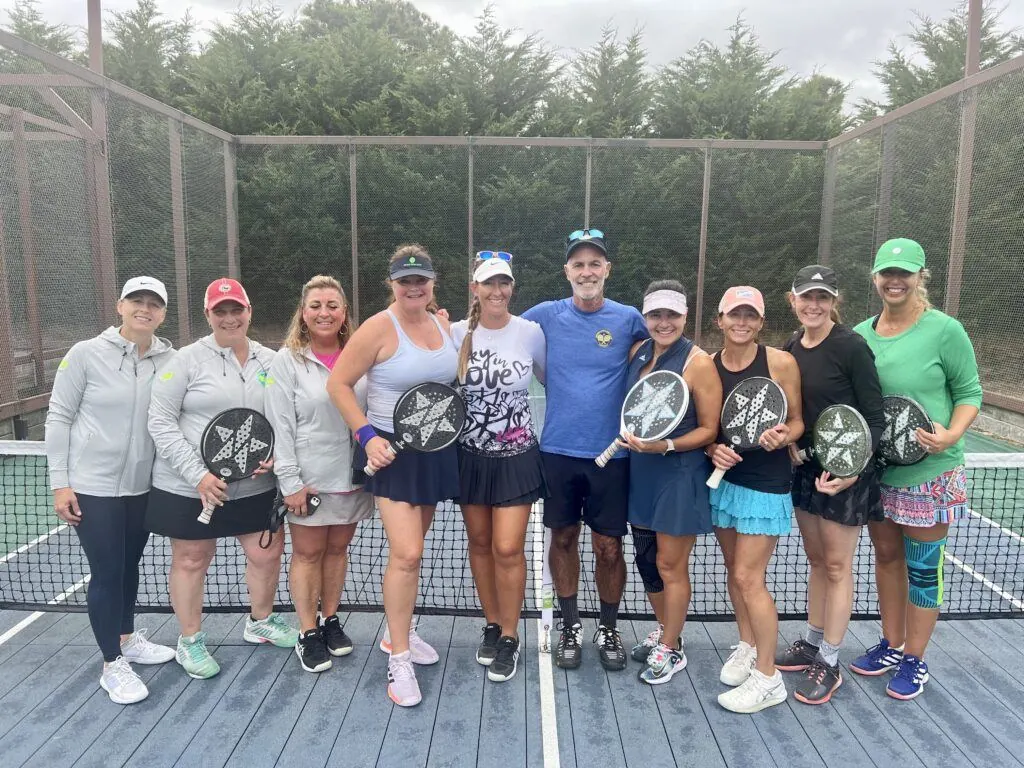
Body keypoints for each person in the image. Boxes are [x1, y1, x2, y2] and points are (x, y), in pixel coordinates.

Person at [327, 244, 458, 707]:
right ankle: (398, 660)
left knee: (414, 554)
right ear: (393, 284)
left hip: (434, 451)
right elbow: (338, 384)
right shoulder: (378, 328)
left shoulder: (443, 325)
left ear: (431, 282)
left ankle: (396, 632)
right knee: (406, 552)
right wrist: (366, 436)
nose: (413, 287)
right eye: (405, 281)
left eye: (420, 279)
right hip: (392, 453)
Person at [147, 277, 298, 680]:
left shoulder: (272, 360)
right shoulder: (183, 361)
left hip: (255, 486)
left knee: (266, 554)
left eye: (237, 309)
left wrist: (276, 456)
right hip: (190, 487)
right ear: (208, 315)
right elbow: (159, 422)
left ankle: (260, 621)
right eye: (221, 311)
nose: (229, 318)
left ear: (249, 312)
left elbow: (286, 416)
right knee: (192, 558)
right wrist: (198, 475)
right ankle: (190, 640)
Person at [850, 239, 981, 700]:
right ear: (875, 278)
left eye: (904, 273)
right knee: (886, 559)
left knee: (924, 570)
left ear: (921, 276)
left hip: (932, 475)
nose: (895, 280)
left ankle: (915, 659)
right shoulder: (860, 333)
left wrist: (951, 434)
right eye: (887, 272)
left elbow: (969, 392)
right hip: (880, 473)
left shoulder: (945, 331)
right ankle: (892, 642)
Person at [45, 277, 176, 704]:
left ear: (162, 313)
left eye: (153, 303)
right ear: (120, 306)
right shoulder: (84, 354)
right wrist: (60, 482)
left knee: (130, 564)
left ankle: (127, 637)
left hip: (142, 487)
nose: (145, 309)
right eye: (136, 301)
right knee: (107, 571)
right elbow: (59, 417)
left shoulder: (171, 359)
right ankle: (111, 663)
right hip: (92, 487)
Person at [522, 228, 648, 671]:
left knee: (609, 546)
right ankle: (571, 625)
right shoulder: (544, 315)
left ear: (607, 270)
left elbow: (667, 350)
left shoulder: (630, 318)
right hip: (557, 452)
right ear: (567, 272)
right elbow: (497, 330)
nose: (587, 271)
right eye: (579, 264)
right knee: (563, 537)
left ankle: (609, 627)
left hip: (614, 455)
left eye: (595, 264)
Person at [773, 265, 884, 705]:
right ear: (793, 300)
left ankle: (831, 661)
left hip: (847, 475)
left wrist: (854, 470)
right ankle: (812, 641)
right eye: (806, 297)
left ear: (834, 300)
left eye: (823, 297)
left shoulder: (852, 347)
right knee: (817, 560)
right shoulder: (790, 348)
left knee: (838, 566)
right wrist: (788, 443)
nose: (814, 305)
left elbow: (873, 417)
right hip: (805, 469)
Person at [266, 275, 374, 674]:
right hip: (307, 482)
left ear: (344, 312)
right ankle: (307, 632)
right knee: (308, 553)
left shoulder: (360, 355)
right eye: (316, 306)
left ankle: (330, 620)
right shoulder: (287, 361)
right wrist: (291, 483)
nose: (324, 313)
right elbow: (281, 426)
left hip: (352, 478)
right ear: (303, 312)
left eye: (332, 305)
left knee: (336, 551)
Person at [616, 280, 722, 685]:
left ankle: (673, 647)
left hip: (678, 474)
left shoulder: (697, 362)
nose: (663, 323)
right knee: (647, 562)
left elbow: (710, 430)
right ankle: (665, 631)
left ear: (684, 316)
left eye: (672, 315)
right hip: (640, 473)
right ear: (645, 317)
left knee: (669, 564)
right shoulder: (637, 352)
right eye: (656, 315)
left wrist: (665, 445)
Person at [706, 285, 803, 713]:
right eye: (734, 315)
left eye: (750, 316)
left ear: (761, 322)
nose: (741, 322)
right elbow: (709, 429)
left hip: (766, 485)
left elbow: (798, 421)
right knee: (733, 571)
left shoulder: (781, 362)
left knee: (750, 578)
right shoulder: (708, 367)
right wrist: (713, 449)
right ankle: (747, 645)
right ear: (720, 319)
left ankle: (768, 677)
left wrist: (785, 434)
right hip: (726, 483)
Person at [451, 252, 546, 683]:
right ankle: (492, 624)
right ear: (475, 289)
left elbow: (551, 380)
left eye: (504, 283)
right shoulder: (454, 335)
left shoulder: (530, 333)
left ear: (511, 288)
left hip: (517, 457)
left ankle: (511, 634)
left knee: (508, 547)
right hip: (469, 457)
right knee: (480, 543)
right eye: (488, 284)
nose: (497, 291)